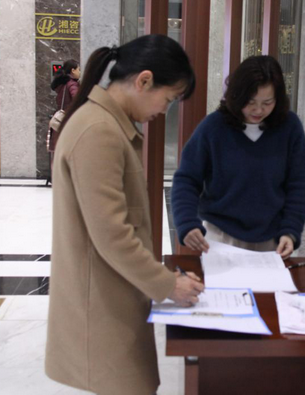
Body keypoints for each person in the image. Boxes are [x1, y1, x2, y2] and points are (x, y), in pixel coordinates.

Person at [45, 35, 205, 395]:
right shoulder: (98, 132)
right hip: (103, 310)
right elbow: (112, 234)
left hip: (113, 298)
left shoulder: (104, 125)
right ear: (144, 80)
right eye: (168, 99)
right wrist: (169, 285)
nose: (164, 111)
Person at [172, 55, 305, 258]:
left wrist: (291, 231)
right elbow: (187, 179)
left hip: (272, 239)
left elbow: (296, 185)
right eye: (250, 102)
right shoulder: (214, 127)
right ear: (237, 95)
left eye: (267, 102)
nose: (258, 110)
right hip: (220, 236)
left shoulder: (290, 127)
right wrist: (187, 222)